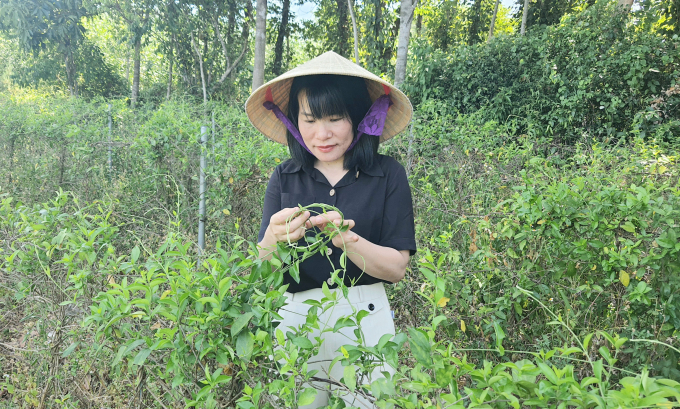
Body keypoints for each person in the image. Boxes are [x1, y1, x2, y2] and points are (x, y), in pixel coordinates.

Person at [245, 51, 416, 408]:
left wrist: (347, 239)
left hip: (365, 315)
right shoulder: (284, 176)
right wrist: (272, 241)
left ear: (359, 118)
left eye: (335, 118)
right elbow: (260, 268)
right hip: (296, 318)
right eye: (308, 120)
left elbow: (397, 267)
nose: (321, 134)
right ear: (294, 122)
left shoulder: (388, 175)